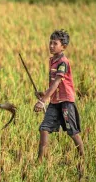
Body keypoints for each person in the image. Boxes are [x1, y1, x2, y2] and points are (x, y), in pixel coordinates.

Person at [34, 29, 85, 161]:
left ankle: (82, 158)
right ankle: (40, 160)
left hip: (65, 101)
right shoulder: (52, 60)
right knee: (44, 128)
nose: (51, 46)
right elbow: (54, 86)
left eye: (55, 43)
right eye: (50, 43)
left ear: (63, 47)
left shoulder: (63, 62)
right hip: (55, 101)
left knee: (72, 131)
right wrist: (44, 94)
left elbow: (57, 82)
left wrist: (43, 100)